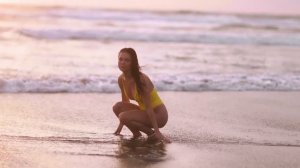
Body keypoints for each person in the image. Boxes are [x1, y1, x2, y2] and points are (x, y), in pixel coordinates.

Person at [112, 48, 171, 143]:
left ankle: (152, 134)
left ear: (133, 63)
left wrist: (158, 132)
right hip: (144, 111)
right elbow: (125, 103)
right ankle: (136, 133)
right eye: (120, 59)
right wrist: (119, 129)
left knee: (123, 116)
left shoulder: (141, 81)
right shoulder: (121, 79)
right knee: (117, 107)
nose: (122, 62)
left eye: (127, 60)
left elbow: (149, 108)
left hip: (158, 114)